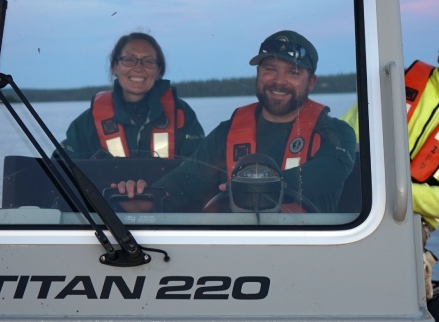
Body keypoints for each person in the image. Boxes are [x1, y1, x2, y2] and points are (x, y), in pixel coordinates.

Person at [342, 9, 439, 298]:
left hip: (412, 220)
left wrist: (394, 193)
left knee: (382, 286)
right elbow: (345, 140)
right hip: (354, 199)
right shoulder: (395, 83)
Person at [114, 30, 357, 213]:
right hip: (235, 254)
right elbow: (185, 182)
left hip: (311, 254)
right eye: (270, 69)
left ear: (311, 82)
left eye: (293, 73)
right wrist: (143, 196)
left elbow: (328, 173)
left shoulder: (336, 133)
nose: (279, 81)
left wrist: (263, 185)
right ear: (258, 75)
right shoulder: (227, 131)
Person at [58, 32, 204, 160]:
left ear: (158, 70)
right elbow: (60, 169)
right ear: (116, 67)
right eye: (129, 60)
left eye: (148, 61)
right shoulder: (87, 122)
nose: (138, 68)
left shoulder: (182, 115)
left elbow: (201, 171)